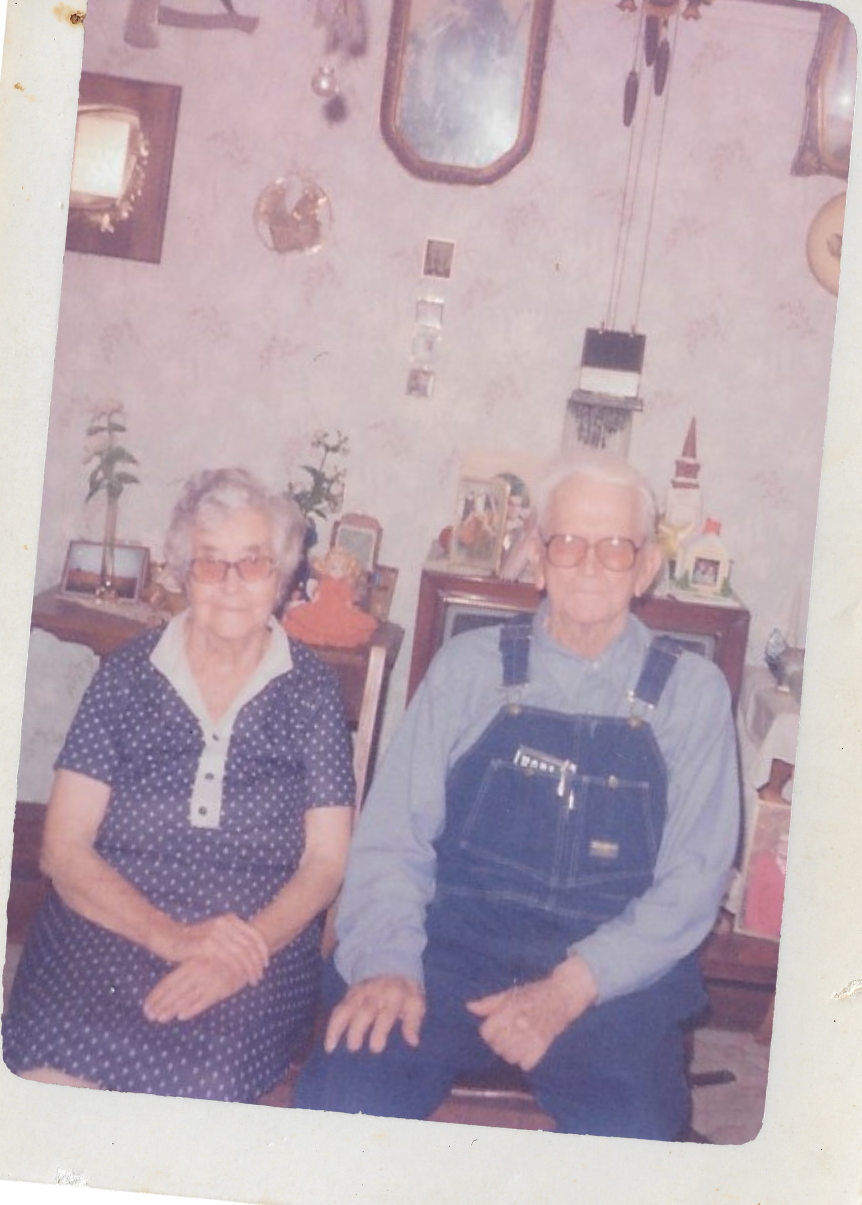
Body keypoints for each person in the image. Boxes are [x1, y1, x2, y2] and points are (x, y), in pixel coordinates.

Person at [295, 454, 739, 1142]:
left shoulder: (691, 694)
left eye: (615, 546)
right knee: (347, 1093)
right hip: (452, 953)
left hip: (607, 976)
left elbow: (692, 885)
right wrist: (386, 963)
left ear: (646, 566)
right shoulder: (468, 670)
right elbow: (391, 841)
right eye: (568, 543)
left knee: (635, 1137)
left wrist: (570, 987)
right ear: (537, 557)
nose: (590, 564)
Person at [3, 468, 356, 1101]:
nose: (228, 584)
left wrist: (233, 954)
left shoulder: (313, 693)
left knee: (202, 1082)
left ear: (279, 578)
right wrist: (170, 936)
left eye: (250, 564)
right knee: (48, 1066)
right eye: (208, 563)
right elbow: (62, 848)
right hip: (107, 922)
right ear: (181, 573)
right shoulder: (125, 677)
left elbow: (326, 864)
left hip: (255, 943)